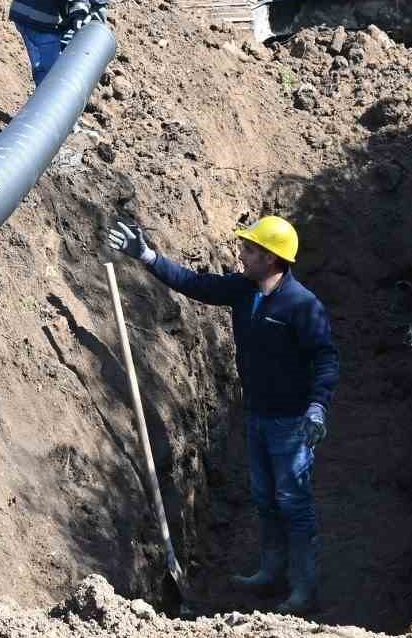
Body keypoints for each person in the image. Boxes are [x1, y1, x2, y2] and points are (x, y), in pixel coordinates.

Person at [108, 214, 338, 614]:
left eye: (249, 249)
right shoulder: (243, 290)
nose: (241, 254)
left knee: (293, 503)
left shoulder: (302, 305)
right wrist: (147, 256)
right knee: (265, 498)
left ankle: (303, 588)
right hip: (257, 416)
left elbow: (326, 359)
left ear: (270, 258)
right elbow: (195, 283)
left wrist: (317, 407)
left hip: (291, 423)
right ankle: (271, 572)